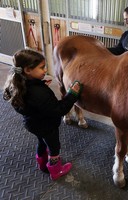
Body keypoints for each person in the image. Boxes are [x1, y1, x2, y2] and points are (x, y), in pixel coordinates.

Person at [2, 49, 83, 180]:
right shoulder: (39, 94)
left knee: (42, 142)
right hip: (47, 126)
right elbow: (59, 110)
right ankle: (56, 171)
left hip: (32, 123)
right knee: (54, 147)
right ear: (28, 70)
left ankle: (42, 162)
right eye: (41, 67)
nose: (45, 70)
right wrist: (72, 95)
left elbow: (31, 98)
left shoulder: (18, 84)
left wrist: (39, 84)